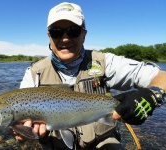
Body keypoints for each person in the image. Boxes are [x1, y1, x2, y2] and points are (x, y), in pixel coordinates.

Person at [12, 2, 166, 150]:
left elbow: (162, 77)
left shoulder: (106, 62)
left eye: (73, 31)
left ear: (84, 34)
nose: (65, 38)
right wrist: (22, 134)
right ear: (49, 36)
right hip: (55, 145)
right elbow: (19, 128)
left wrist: (152, 95)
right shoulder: (34, 73)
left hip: (101, 143)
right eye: (56, 32)